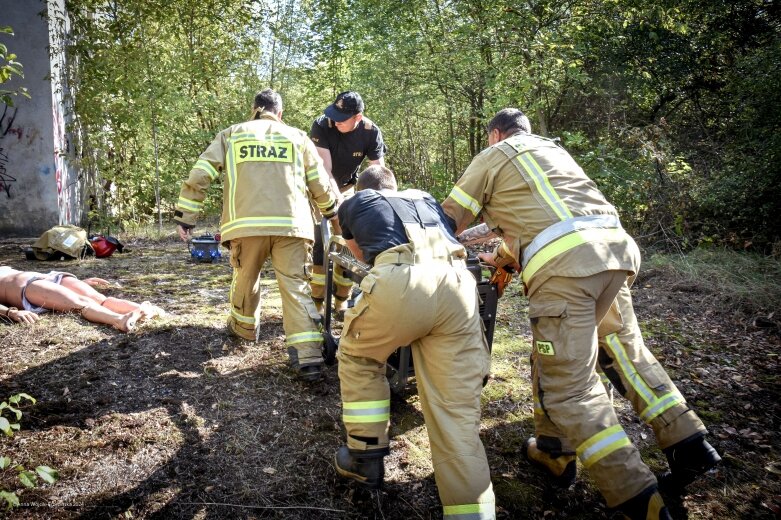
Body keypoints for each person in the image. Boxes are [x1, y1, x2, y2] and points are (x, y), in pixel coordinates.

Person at [442, 109, 721, 520]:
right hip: (612, 251)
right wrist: (500, 253)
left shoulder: (495, 154)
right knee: (623, 351)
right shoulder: (554, 153)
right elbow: (545, 222)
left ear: (496, 134)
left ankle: (638, 499)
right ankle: (689, 443)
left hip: (566, 267)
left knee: (570, 388)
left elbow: (451, 217)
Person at [333, 165, 495, 520]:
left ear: (364, 188)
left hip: (402, 281)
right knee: (455, 415)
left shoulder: (355, 201)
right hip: (458, 284)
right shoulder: (424, 198)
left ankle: (365, 457)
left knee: (359, 356)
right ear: (395, 185)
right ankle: (472, 513)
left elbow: (360, 254)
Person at [174, 89, 340, 382]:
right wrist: (330, 211)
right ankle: (308, 358)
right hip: (292, 227)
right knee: (295, 287)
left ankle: (244, 329)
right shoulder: (298, 137)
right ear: (280, 113)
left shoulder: (232, 134)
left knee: (245, 278)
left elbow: (201, 173)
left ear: (254, 110)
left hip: (246, 227)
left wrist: (186, 218)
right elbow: (319, 181)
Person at [308, 91, 387, 317]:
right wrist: (339, 205)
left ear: (358, 118)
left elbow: (378, 173)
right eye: (335, 115)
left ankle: (341, 301)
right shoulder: (322, 125)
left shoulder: (371, 132)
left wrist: (374, 208)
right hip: (319, 189)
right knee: (320, 244)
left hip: (348, 188)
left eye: (343, 118)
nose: (336, 121)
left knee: (348, 243)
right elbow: (324, 171)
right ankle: (316, 303)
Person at [0, 266, 163, 332]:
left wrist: (81, 282)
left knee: (102, 299)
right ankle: (120, 320)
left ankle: (150, 311)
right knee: (81, 304)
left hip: (50, 277)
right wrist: (10, 312)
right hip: (26, 289)